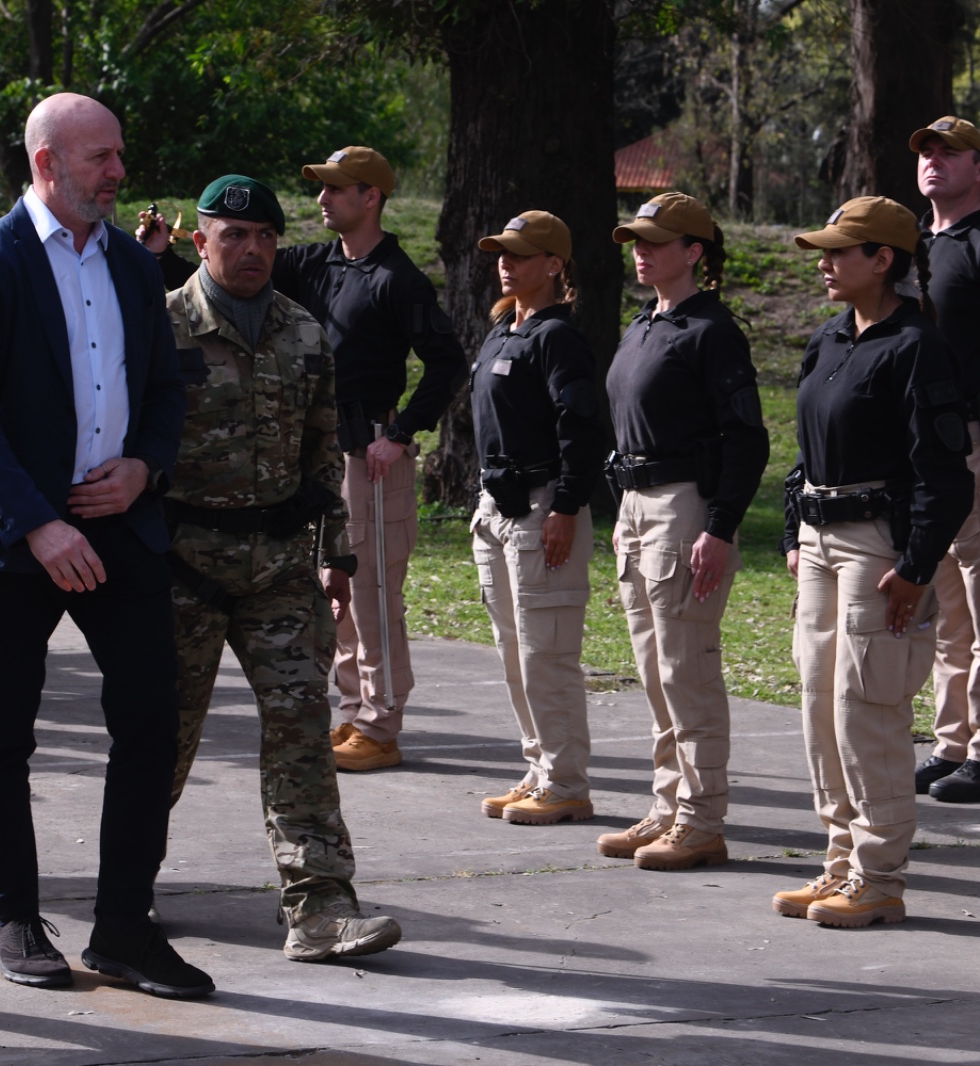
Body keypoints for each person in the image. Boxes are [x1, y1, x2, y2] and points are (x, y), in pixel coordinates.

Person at [0, 92, 210, 999]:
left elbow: (165, 390)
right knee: (2, 734)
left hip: (120, 526)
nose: (118, 172)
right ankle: (17, 920)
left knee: (149, 722)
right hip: (16, 539)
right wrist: (39, 523)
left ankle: (125, 929)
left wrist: (144, 470)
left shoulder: (135, 266)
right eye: (101, 157)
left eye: (119, 154)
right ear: (48, 163)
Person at [141, 146, 468, 772]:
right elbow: (234, 272)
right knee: (337, 593)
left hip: (373, 453)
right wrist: (165, 257)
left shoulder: (398, 277)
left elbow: (448, 361)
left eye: (337, 188)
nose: (322, 198)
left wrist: (401, 433)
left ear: (371, 196)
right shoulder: (318, 262)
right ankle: (355, 712)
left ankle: (383, 722)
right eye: (321, 188)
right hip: (323, 450)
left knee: (372, 594)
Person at [162, 172, 402, 960]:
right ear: (201, 242)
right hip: (181, 571)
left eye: (266, 235)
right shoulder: (160, 329)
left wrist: (338, 554)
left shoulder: (304, 332)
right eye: (234, 236)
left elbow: (322, 449)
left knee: (302, 729)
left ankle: (320, 905)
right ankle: (126, 886)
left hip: (279, 572)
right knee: (160, 737)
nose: (253, 249)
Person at [777, 197, 971, 927]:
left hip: (878, 546)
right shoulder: (830, 339)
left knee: (868, 710)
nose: (824, 264)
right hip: (823, 544)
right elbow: (804, 453)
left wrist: (918, 567)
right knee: (818, 707)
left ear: (883, 260)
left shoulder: (918, 346)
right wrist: (795, 530)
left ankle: (879, 875)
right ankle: (839, 863)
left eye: (839, 252)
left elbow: (947, 475)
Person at [602, 191, 769, 871]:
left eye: (655, 241)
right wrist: (620, 510)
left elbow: (747, 438)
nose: (640, 252)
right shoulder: (644, 324)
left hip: (685, 507)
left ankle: (702, 818)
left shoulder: (712, 331)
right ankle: (668, 804)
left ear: (694, 251)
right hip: (637, 505)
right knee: (652, 668)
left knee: (686, 666)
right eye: (635, 241)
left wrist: (721, 524)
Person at [470, 211, 607, 825]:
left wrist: (567, 506)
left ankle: (567, 780)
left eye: (521, 254)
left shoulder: (559, 337)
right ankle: (540, 768)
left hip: (541, 505)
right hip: (496, 507)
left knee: (546, 654)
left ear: (554, 265)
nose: (506, 262)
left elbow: (580, 427)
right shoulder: (504, 329)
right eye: (502, 251)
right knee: (512, 651)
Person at [909, 116, 980, 804]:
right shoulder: (909, 247)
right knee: (946, 599)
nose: (933, 161)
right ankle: (952, 741)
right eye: (926, 152)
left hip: (975, 437)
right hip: (922, 443)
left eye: (949, 152)